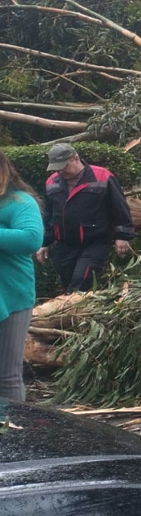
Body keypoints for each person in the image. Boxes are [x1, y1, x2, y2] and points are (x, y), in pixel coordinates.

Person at [34, 144, 134, 293]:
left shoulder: (102, 176)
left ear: (76, 158)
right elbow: (50, 215)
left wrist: (123, 235)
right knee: (68, 284)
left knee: (81, 282)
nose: (60, 171)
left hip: (95, 241)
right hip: (65, 243)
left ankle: (71, 311)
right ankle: (74, 314)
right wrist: (45, 242)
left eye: (64, 166)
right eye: (56, 168)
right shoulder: (51, 182)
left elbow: (119, 207)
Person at [0, 150, 43, 401]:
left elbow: (31, 238)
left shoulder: (20, 202)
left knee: (6, 376)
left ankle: (12, 436)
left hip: (12, 295)